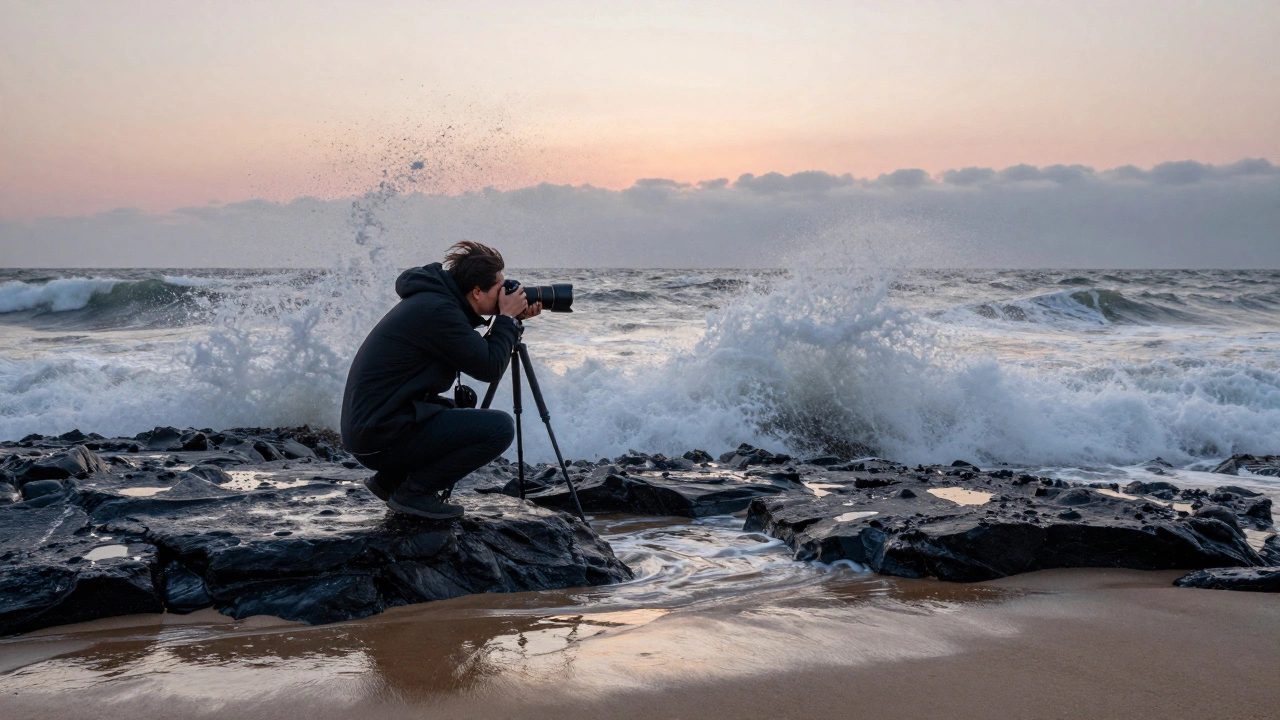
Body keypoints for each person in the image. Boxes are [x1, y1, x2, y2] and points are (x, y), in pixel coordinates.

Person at [340, 241, 541, 519]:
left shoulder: (435, 303)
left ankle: (390, 481)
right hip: (378, 436)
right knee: (499, 428)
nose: (504, 294)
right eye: (499, 289)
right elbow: (489, 367)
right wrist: (505, 318)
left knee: (456, 413)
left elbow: (478, 355)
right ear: (477, 291)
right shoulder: (438, 312)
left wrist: (511, 320)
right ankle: (414, 493)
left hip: (374, 429)